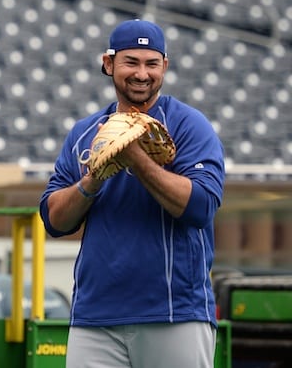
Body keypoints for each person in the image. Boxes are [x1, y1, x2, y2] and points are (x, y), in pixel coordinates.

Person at [40, 19, 226, 368]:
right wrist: (91, 181)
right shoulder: (85, 133)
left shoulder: (189, 125)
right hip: (95, 316)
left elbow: (200, 207)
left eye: (151, 63)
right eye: (131, 62)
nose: (142, 73)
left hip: (173, 313)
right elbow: (53, 219)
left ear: (164, 67)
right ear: (109, 64)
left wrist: (134, 156)